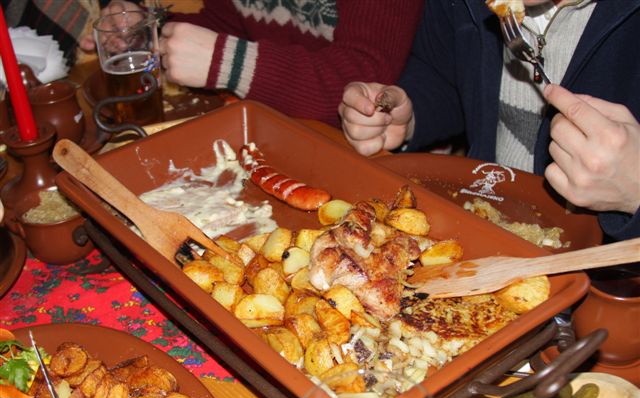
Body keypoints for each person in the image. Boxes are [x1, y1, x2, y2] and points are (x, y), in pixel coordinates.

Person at [339, 0, 640, 242]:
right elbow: (446, 74)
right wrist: (412, 116)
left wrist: (635, 191)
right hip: (479, 223)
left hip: (603, 274)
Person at [80, 0, 425, 127]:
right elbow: (230, 23)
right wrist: (149, 26)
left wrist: (225, 61)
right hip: (279, 128)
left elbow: (362, 80)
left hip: (382, 151)